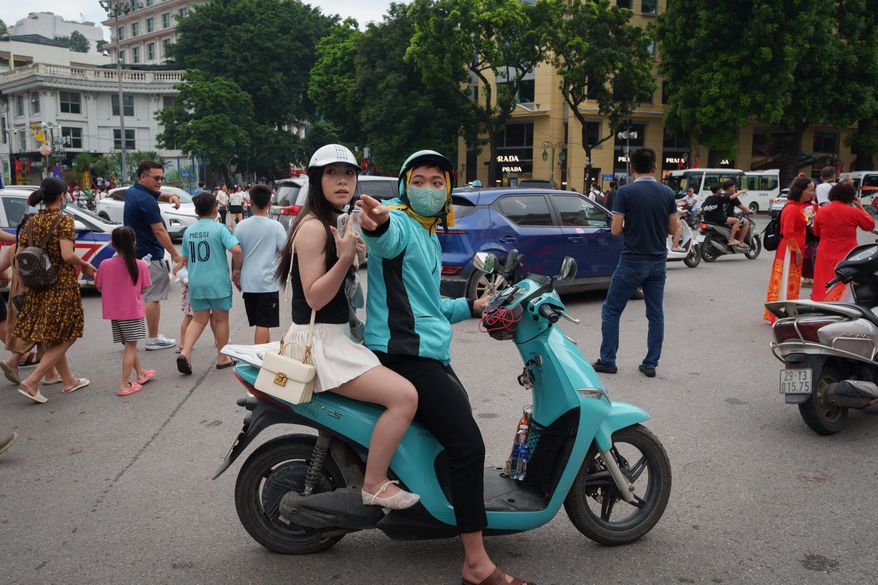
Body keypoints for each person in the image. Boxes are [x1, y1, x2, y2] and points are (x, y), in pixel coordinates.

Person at [357, 150, 531, 585]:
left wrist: (473, 305)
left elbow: (428, 304)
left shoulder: (427, 233)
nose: (429, 189)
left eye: (438, 182)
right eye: (419, 181)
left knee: (456, 433)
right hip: (406, 355)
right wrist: (377, 223)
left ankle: (440, 508)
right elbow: (383, 236)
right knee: (468, 447)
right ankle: (476, 563)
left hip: (427, 352)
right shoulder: (400, 222)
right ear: (404, 187)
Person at [276, 144, 420, 511]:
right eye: (332, 173)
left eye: (349, 174)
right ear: (316, 180)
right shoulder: (312, 227)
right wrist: (344, 259)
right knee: (405, 397)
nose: (342, 181)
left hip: (338, 335)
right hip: (321, 343)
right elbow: (314, 298)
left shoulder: (337, 219)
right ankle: (374, 484)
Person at [592, 147, 679, 378]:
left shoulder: (625, 192)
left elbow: (615, 229)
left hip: (632, 259)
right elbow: (673, 228)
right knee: (655, 313)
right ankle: (650, 364)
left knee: (611, 309)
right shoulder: (667, 192)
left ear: (631, 168)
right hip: (658, 260)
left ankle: (608, 360)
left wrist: (632, 230)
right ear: (655, 167)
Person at [15, 177, 97, 404]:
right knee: (69, 334)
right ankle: (33, 380)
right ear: (62, 196)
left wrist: (22, 284)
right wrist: (85, 264)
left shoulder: (32, 221)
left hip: (37, 285)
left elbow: (19, 256)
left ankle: (69, 381)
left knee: (54, 337)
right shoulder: (64, 221)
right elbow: (67, 255)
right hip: (61, 284)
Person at [175, 192, 243, 374]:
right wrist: (237, 269)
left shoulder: (189, 231)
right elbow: (237, 250)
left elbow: (184, 259)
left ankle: (185, 352)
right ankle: (222, 357)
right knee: (220, 320)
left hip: (196, 282)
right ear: (215, 209)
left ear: (196, 211)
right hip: (217, 282)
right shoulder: (220, 229)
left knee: (198, 320)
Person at [123, 160, 182, 351]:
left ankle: (129, 337)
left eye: (162, 178)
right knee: (153, 297)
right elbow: (159, 231)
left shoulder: (134, 191)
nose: (160, 182)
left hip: (134, 252)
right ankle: (153, 338)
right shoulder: (146, 200)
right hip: (150, 254)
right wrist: (175, 254)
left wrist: (171, 196)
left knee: (136, 296)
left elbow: (159, 194)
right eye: (156, 178)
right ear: (143, 177)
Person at [95, 226, 157, 396]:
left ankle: (141, 373)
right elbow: (145, 289)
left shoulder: (105, 264)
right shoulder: (140, 265)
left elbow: (99, 287)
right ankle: (123, 384)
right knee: (130, 346)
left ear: (113, 244)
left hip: (115, 312)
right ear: (134, 243)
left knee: (129, 344)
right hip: (132, 312)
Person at [0, 216, 60, 386]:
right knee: (40, 332)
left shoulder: (14, 248)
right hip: (33, 294)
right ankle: (15, 362)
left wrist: (5, 278)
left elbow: (0, 268)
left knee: (37, 332)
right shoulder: (36, 250)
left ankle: (51, 373)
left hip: (16, 296)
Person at [234, 184, 286, 344]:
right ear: (269, 204)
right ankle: (257, 356)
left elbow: (236, 251)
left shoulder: (241, 226)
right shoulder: (275, 226)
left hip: (248, 282)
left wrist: (236, 271)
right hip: (267, 282)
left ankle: (265, 352)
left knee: (262, 322)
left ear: (250, 203)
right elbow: (286, 250)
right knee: (264, 323)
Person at [811, 182, 875, 301]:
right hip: (847, 253)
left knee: (823, 280)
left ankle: (821, 304)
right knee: (844, 281)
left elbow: (816, 232)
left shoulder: (822, 211)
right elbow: (870, 225)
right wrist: (860, 206)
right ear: (851, 196)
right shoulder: (853, 212)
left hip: (825, 251)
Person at [763, 176, 815, 323]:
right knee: (786, 281)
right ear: (801, 190)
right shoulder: (792, 208)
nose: (812, 193)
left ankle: (786, 312)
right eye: (810, 190)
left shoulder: (797, 205)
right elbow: (787, 233)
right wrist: (797, 251)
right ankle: (782, 315)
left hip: (793, 249)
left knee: (790, 281)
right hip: (789, 251)